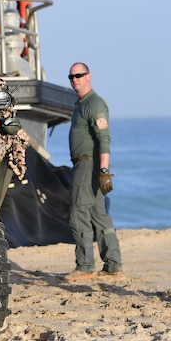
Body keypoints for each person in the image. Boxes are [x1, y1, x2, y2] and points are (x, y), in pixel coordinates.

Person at [64, 62, 123, 281]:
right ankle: (114, 265)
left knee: (78, 213)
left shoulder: (94, 104)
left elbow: (104, 138)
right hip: (85, 163)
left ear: (89, 76)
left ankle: (86, 266)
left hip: (89, 164)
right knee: (98, 214)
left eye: (79, 75)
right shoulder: (81, 103)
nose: (75, 79)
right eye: (71, 76)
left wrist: (104, 170)